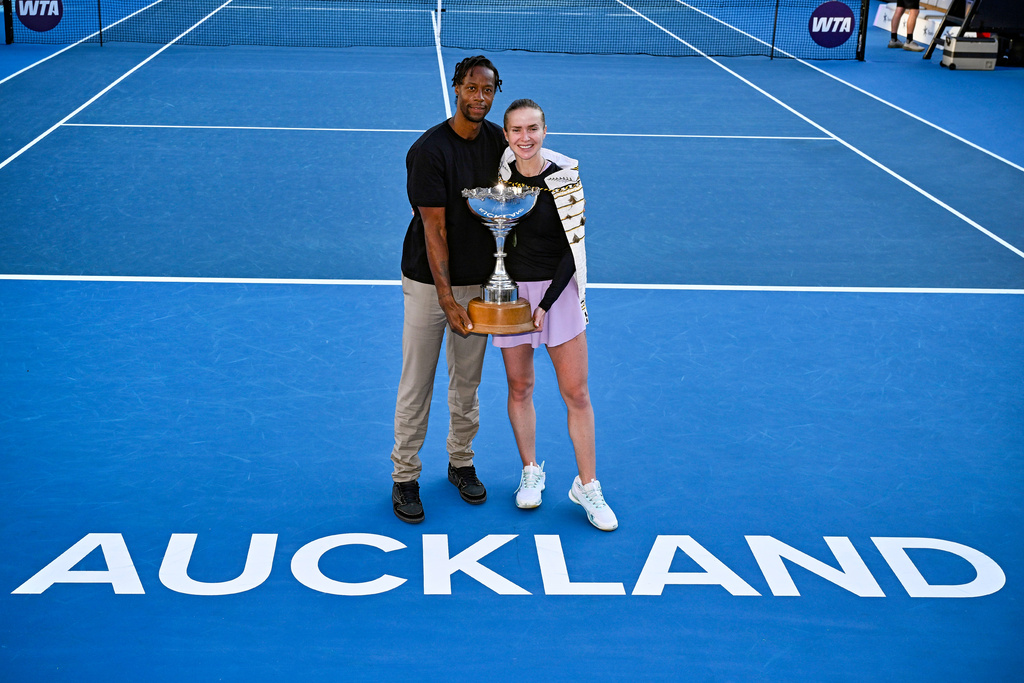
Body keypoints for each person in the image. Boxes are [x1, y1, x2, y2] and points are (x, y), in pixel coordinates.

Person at [390, 56, 507, 524]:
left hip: (478, 283)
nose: (480, 97)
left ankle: (461, 462)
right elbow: (433, 229)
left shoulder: (498, 139)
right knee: (417, 381)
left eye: (488, 90)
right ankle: (404, 476)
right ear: (457, 89)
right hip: (428, 284)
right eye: (472, 88)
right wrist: (445, 298)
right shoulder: (429, 151)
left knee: (467, 383)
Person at [492, 99, 617, 531]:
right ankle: (531, 470)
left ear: (545, 131)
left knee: (576, 393)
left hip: (557, 295)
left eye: (532, 129)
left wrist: (545, 304)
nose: (524, 138)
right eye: (516, 131)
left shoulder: (565, 182)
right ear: (506, 136)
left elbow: (572, 250)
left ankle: (588, 484)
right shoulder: (499, 179)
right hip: (512, 298)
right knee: (519, 385)